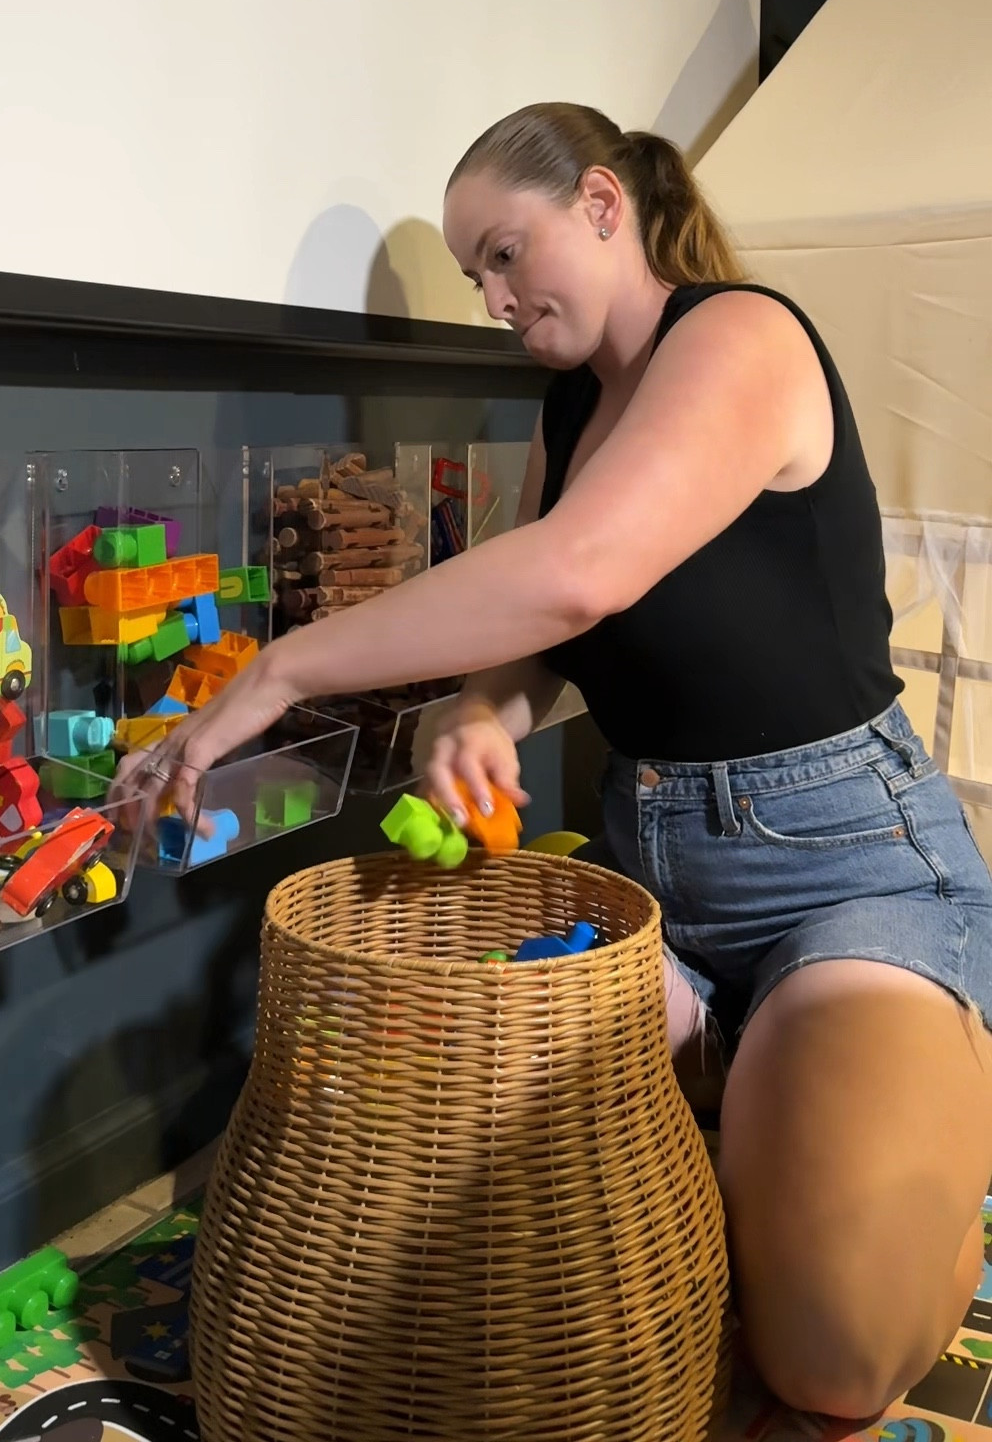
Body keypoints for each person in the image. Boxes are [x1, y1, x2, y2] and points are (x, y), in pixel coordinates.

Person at [113, 102, 992, 1421]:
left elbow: (579, 576)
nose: (493, 296)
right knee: (431, 1156)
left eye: (506, 253)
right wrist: (481, 711)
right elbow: (542, 639)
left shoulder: (741, 335)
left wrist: (283, 668)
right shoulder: (571, 401)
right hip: (652, 893)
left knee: (830, 1351)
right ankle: (752, 1088)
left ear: (600, 204)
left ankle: (900, 1100)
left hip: (843, 869)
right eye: (476, 274)